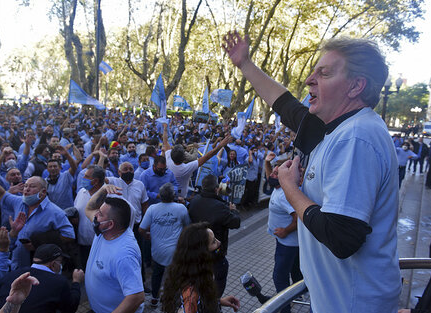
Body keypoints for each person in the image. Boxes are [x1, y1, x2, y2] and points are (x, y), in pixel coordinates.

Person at [224, 31, 401, 312]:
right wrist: (245, 63)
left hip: (353, 304)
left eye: (325, 73)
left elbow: (342, 238)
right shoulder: (336, 128)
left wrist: (290, 188)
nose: (309, 79)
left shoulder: (356, 137)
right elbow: (285, 105)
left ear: (356, 86)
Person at [0, 171, 75, 269]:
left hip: (40, 266)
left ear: (43, 192)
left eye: (32, 187)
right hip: (16, 264)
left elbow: (69, 235)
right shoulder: (19, 202)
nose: (27, 190)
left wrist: (40, 241)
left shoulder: (55, 212)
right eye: (25, 186)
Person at [84, 184, 145, 313]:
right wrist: (103, 190)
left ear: (110, 224)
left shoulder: (124, 254)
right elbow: (88, 208)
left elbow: (136, 296)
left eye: (100, 214)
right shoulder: (103, 230)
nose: (95, 216)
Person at [161, 222, 240, 313]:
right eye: (213, 242)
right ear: (202, 254)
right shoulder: (190, 295)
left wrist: (218, 302)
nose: (219, 242)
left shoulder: (191, 273)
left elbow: (201, 302)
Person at [0, 243, 84, 313]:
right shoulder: (59, 282)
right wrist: (76, 282)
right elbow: (70, 308)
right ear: (54, 264)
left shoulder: (12, 275)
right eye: (61, 262)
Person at [139, 183, 190, 307]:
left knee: (157, 274)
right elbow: (188, 227)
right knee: (176, 275)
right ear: (173, 196)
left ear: (160, 196)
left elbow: (141, 229)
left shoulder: (152, 209)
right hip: (176, 251)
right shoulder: (181, 208)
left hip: (158, 251)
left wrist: (148, 235)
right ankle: (174, 299)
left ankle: (155, 298)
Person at [188, 174, 241, 297]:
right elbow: (235, 223)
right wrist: (232, 210)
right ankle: (215, 302)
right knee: (219, 277)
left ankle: (200, 299)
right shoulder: (220, 207)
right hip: (215, 252)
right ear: (216, 189)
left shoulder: (194, 201)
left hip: (197, 250)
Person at [264, 152, 302, 313]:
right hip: (286, 242)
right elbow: (269, 177)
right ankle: (297, 294)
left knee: (279, 277)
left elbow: (298, 218)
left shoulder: (285, 195)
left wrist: (286, 231)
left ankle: (284, 308)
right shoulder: (279, 184)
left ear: (282, 176)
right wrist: (267, 162)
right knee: (295, 270)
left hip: (288, 244)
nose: (271, 175)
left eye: (275, 172)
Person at [162, 123, 232, 198]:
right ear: (184, 158)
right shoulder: (186, 168)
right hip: (181, 198)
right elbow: (207, 156)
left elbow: (165, 142)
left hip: (168, 195)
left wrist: (165, 129)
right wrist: (220, 146)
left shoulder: (169, 160)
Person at [74, 165, 106, 269]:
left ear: (95, 181)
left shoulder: (108, 196)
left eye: (86, 177)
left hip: (101, 245)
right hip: (83, 243)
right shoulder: (81, 192)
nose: (83, 179)